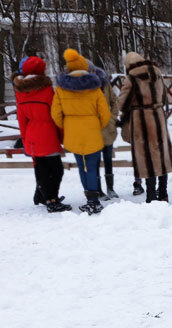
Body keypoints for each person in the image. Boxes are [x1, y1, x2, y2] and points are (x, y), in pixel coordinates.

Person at [51, 49, 110, 214]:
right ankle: (93, 200)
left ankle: (89, 198)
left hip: (72, 132)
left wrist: (67, 125)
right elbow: (105, 113)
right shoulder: (95, 88)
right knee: (91, 167)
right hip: (92, 131)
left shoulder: (61, 89)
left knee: (80, 166)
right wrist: (96, 125)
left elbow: (55, 114)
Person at [14, 55, 71, 212]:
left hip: (32, 134)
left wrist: (25, 139)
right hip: (47, 134)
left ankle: (43, 196)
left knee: (41, 168)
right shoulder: (46, 90)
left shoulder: (20, 91)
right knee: (56, 170)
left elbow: (21, 118)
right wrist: (62, 135)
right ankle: (52, 200)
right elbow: (55, 115)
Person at [117, 52, 172, 202]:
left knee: (147, 158)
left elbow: (122, 103)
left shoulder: (131, 78)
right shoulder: (157, 74)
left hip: (141, 120)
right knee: (161, 156)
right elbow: (164, 98)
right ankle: (163, 193)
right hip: (158, 117)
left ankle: (151, 195)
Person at [87, 60, 119, 199]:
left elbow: (114, 101)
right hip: (92, 129)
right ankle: (98, 189)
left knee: (108, 158)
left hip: (107, 128)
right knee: (94, 161)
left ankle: (110, 188)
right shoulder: (84, 87)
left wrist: (112, 118)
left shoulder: (104, 84)